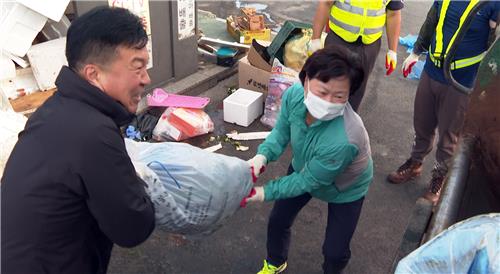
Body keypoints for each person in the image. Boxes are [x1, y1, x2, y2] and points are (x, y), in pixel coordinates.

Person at [1, 6, 156, 273]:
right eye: (137, 67)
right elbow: (132, 228)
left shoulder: (54, 109)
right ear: (93, 74)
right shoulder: (93, 133)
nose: (146, 79)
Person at [244, 45, 372, 274]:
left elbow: (307, 182)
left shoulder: (346, 138)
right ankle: (275, 262)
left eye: (339, 96)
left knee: (334, 250)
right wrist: (261, 156)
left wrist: (263, 193)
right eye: (323, 92)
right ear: (305, 80)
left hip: (345, 187)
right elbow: (281, 132)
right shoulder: (293, 95)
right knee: (278, 220)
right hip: (303, 165)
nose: (329, 101)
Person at [388, 0, 500, 204]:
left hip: (461, 81)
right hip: (431, 71)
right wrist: (416, 52)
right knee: (422, 122)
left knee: (449, 135)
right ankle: (415, 162)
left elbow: (495, 47)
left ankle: (440, 178)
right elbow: (432, 21)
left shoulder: (492, 4)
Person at [309, 0, 403, 111]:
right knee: (329, 85)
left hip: (369, 45)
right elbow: (326, 3)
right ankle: (321, 120)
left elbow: (393, 14)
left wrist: (393, 50)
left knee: (357, 89)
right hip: (339, 38)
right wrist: (315, 39)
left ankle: (346, 123)